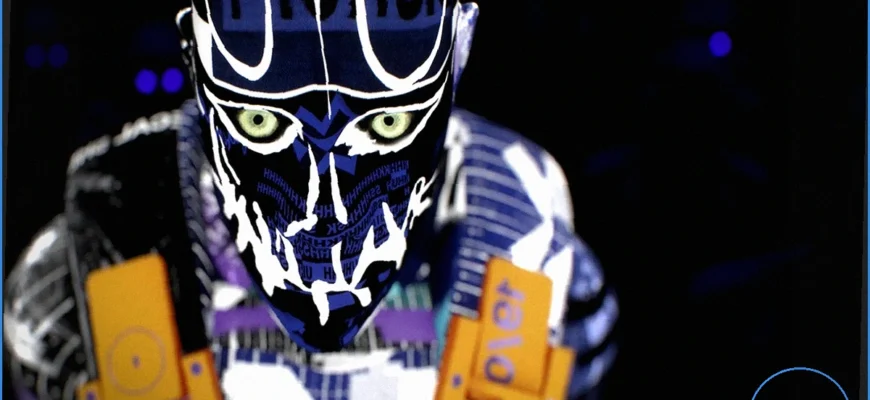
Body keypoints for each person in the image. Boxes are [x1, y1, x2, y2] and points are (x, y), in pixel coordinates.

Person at [4, 1, 618, 398]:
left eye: (385, 123)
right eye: (265, 123)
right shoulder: (76, 282)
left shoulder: (547, 270)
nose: (325, 206)